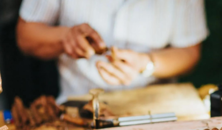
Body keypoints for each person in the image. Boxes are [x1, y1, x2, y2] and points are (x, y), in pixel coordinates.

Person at [17, 0, 209, 103]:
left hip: (155, 109)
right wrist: (65, 38)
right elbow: (26, 36)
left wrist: (147, 64)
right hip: (78, 107)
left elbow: (190, 52)